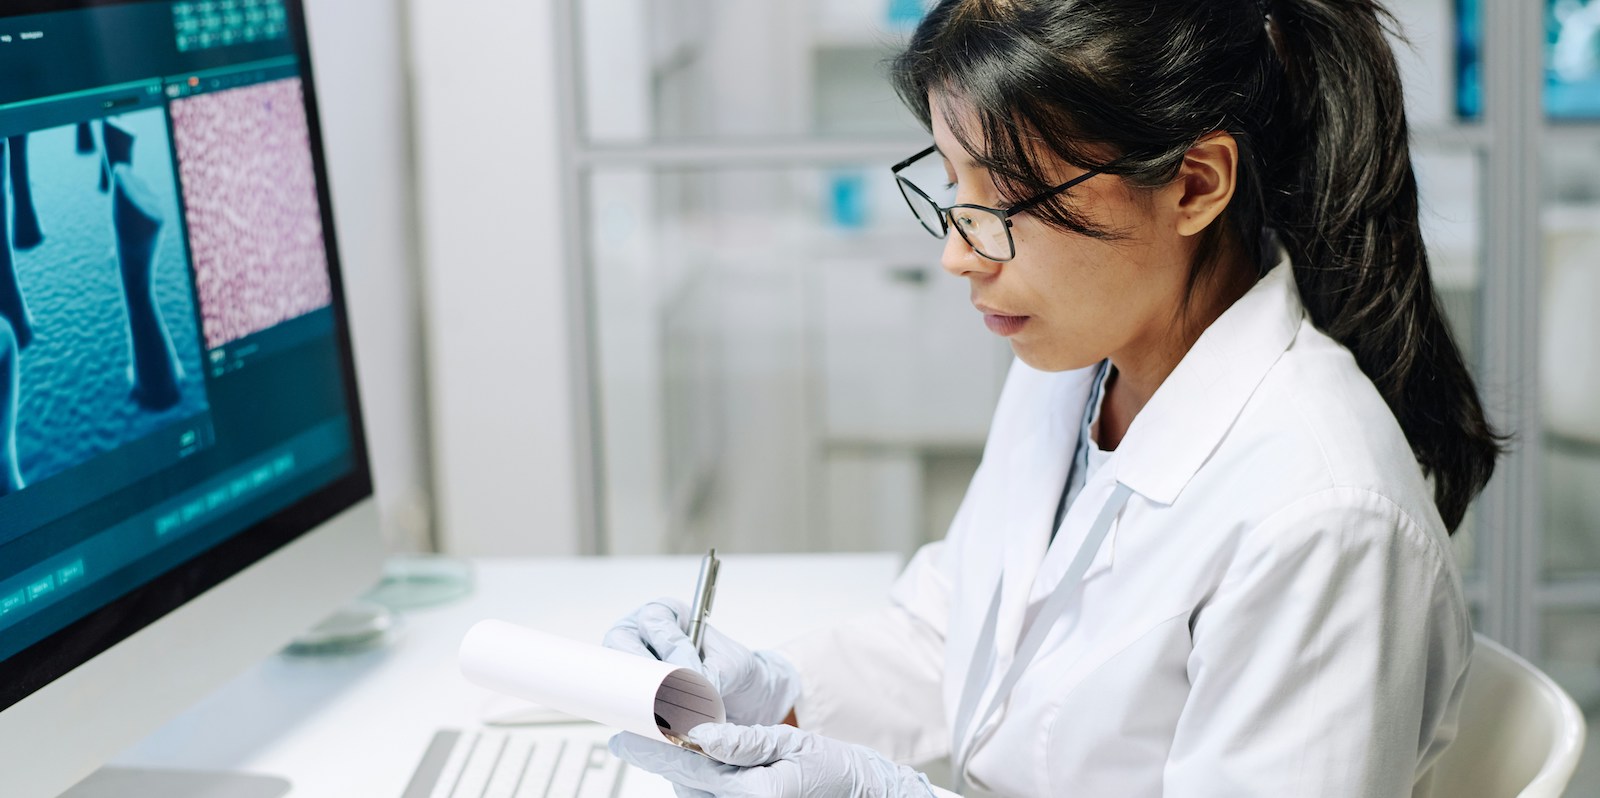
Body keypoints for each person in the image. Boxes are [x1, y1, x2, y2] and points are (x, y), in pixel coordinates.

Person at [603, 0, 1503, 795]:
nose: (959, 252)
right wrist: (770, 696)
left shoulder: (1322, 520)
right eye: (953, 186)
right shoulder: (1082, 365)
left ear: (1195, 184)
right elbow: (954, 635)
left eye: (1007, 200)